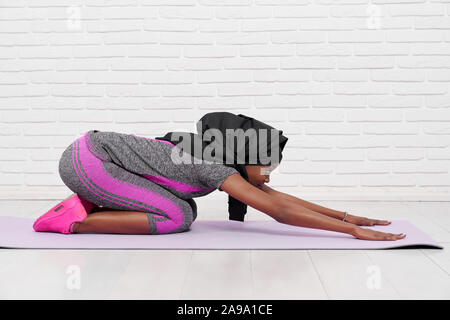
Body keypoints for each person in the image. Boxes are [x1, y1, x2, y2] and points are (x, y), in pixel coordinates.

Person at [33, 113, 406, 241]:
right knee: (176, 218)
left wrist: (345, 215)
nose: (271, 174)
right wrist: (351, 232)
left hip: (89, 157)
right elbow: (277, 211)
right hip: (90, 162)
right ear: (248, 159)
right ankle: (75, 222)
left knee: (187, 210)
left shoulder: (214, 160)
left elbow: (280, 200)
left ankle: (89, 206)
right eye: (269, 166)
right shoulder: (215, 166)